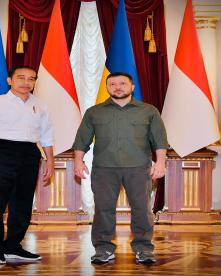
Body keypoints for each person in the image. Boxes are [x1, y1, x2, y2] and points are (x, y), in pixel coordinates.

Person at [72, 72, 167, 264]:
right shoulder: (94, 112)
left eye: (123, 83)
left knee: (142, 210)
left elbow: (160, 140)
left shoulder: (149, 111)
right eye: (113, 84)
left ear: (132, 87)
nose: (118, 87)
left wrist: (161, 163)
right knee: (103, 210)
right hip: (104, 169)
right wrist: (78, 161)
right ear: (107, 88)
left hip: (139, 168)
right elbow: (82, 140)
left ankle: (144, 249)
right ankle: (103, 249)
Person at [0, 66, 54, 264]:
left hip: (30, 154)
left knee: (23, 204)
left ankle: (13, 246)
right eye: (20, 78)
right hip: (1, 152)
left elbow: (47, 136)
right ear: (10, 80)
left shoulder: (41, 105)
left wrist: (50, 161)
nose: (26, 82)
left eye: (31, 78)